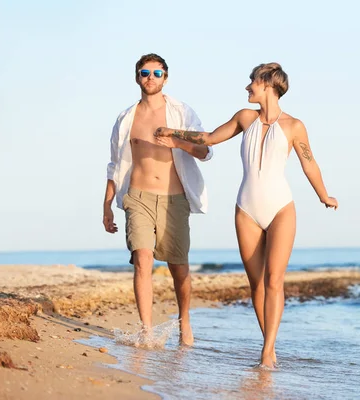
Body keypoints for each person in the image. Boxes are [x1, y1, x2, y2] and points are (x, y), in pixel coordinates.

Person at [154, 62, 338, 367]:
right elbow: (210, 137)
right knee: (256, 284)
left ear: (266, 83)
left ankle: (267, 352)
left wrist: (323, 195)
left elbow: (309, 163)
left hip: (281, 208)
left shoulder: (294, 126)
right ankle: (270, 345)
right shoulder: (244, 118)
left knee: (275, 281)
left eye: (251, 81)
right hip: (246, 210)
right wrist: (175, 136)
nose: (247, 86)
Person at [103, 53, 213, 346]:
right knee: (142, 259)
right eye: (144, 72)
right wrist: (107, 206)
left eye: (156, 73)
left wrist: (177, 141)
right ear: (136, 77)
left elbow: (206, 151)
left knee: (179, 267)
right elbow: (114, 165)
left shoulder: (181, 112)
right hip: (136, 196)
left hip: (173, 198)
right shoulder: (126, 118)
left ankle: (184, 321)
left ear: (166, 77)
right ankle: (146, 331)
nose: (150, 78)